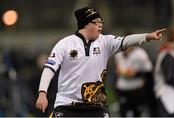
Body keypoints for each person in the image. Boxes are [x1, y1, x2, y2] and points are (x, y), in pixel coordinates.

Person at [36, 6, 166, 117]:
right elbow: (49, 69)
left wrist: (147, 36)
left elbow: (126, 40)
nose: (100, 24)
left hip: (96, 106)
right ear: (85, 24)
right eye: (96, 22)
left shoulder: (105, 42)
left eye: (101, 21)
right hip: (66, 105)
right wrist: (42, 93)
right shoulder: (64, 44)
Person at [114, 45, 153, 117]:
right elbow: (117, 69)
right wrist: (120, 72)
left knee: (137, 113)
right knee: (123, 112)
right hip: (123, 88)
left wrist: (136, 74)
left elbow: (148, 71)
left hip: (136, 88)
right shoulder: (118, 53)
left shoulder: (140, 54)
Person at [154, 28, 174, 117]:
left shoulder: (165, 51)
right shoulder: (169, 54)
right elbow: (169, 78)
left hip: (167, 94)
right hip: (167, 94)